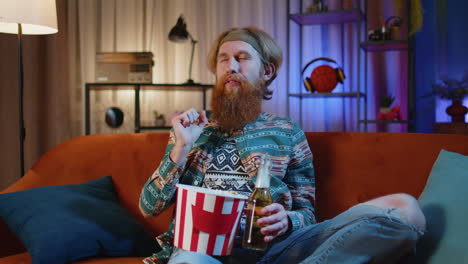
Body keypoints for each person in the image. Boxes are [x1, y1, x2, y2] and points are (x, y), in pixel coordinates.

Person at [139, 27, 426, 264]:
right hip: (202, 254)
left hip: (276, 253)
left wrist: (287, 220)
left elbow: (307, 213)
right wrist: (181, 148)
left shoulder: (288, 132)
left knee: (405, 208)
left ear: (267, 71)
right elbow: (149, 207)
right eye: (223, 60)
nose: (231, 67)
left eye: (242, 58)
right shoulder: (191, 131)